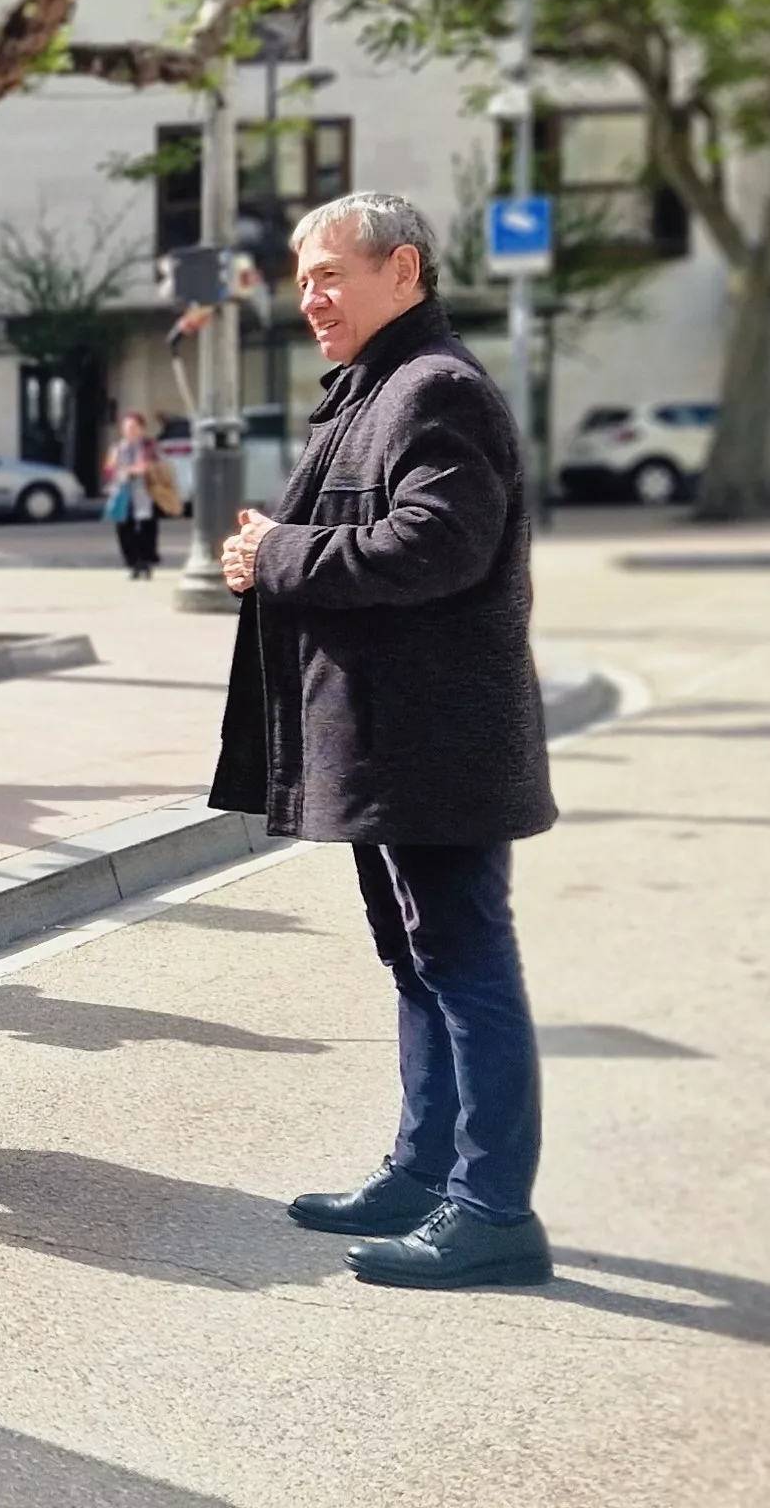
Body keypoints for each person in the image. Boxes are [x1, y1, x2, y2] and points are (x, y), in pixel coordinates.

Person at [215, 191, 558, 1291]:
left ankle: (494, 1209)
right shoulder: (381, 385)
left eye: (329, 274)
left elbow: (436, 546)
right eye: (302, 276)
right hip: (388, 738)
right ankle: (422, 1172)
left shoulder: (437, 388)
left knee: (463, 961)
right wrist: (274, 553)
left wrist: (277, 554)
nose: (307, 296)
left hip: (436, 742)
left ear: (402, 271)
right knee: (416, 959)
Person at [103, 411, 176, 580]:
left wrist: (144, 469)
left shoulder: (150, 447)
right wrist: (119, 472)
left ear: (141, 429)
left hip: (146, 492)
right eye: (127, 427)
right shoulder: (117, 448)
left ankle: (146, 561)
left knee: (146, 529)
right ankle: (132, 562)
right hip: (123, 493)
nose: (131, 431)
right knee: (124, 529)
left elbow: (160, 466)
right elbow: (108, 470)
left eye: (134, 427)